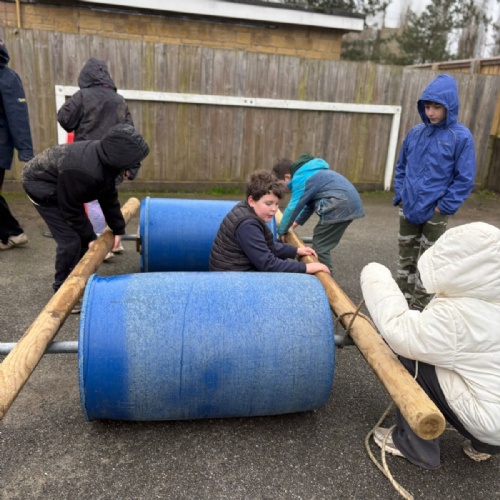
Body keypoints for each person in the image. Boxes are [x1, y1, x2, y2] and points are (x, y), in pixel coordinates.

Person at [360, 222, 500, 470]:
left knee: (412, 356)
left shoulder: (456, 314)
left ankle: (415, 446)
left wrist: (374, 274)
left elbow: (399, 330)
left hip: (490, 422)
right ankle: (484, 446)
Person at [22, 123, 149, 312]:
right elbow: (71, 209)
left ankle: (79, 277)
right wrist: (90, 237)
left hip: (63, 184)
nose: (131, 171)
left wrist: (118, 228)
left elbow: (108, 197)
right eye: (130, 165)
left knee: (81, 237)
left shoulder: (105, 162)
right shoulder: (85, 171)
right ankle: (62, 291)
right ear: (119, 158)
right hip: (40, 185)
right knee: (70, 240)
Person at [393, 73, 476, 311]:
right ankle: (400, 303)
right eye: (427, 106)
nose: (430, 112)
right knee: (405, 258)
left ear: (449, 106)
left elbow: (465, 177)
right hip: (409, 206)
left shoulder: (461, 137)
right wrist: (401, 195)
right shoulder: (415, 133)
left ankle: (419, 307)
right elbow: (401, 166)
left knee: (429, 260)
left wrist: (444, 207)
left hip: (435, 211)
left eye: (437, 107)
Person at [56, 57, 138, 256]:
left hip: (88, 158)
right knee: (108, 197)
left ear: (84, 77)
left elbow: (65, 119)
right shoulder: (119, 100)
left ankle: (103, 242)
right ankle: (116, 240)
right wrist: (132, 167)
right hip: (113, 160)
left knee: (92, 200)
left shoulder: (83, 96)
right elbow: (130, 133)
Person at [209, 170, 330, 275]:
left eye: (277, 204)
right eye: (268, 203)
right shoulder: (248, 225)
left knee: (287, 263)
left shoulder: (245, 210)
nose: (274, 209)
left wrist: (295, 251)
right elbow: (268, 264)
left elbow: (266, 247)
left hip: (234, 270)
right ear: (251, 201)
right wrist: (306, 267)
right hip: (231, 277)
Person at [272, 155, 364, 274]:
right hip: (350, 202)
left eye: (281, 184)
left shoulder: (300, 178)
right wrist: (296, 222)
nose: (283, 188)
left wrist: (282, 231)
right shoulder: (311, 172)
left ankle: (326, 278)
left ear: (287, 177)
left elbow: (292, 208)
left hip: (338, 204)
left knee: (320, 245)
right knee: (321, 240)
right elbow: (309, 205)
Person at [0, 39, 34, 250]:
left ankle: (13, 232)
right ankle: (11, 232)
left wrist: (25, 150)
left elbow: (18, 116)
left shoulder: (7, 78)